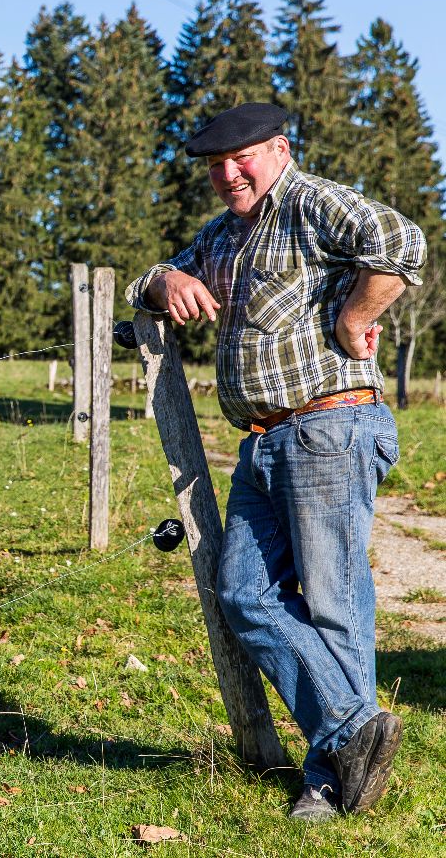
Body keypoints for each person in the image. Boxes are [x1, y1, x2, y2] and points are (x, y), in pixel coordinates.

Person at [126, 102, 425, 822]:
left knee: (331, 604)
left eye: (243, 158)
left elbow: (402, 242)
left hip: (327, 427)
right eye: (216, 165)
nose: (229, 174)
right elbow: (150, 280)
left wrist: (355, 316)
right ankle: (353, 731)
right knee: (243, 594)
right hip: (262, 441)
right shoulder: (223, 235)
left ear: (280, 151)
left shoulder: (308, 202)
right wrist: (165, 283)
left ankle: (330, 782)